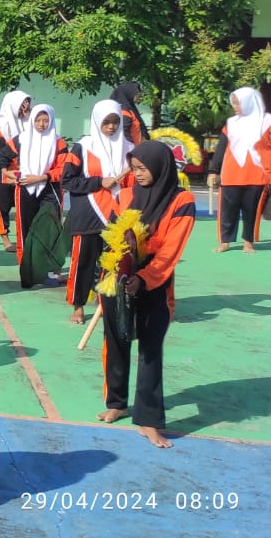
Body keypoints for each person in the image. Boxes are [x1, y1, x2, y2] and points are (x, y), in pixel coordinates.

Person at [101, 141, 196, 449]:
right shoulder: (126, 196)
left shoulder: (182, 201)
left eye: (143, 168)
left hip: (155, 284)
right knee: (115, 341)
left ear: (160, 166)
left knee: (150, 350)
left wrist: (143, 279)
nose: (138, 174)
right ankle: (116, 401)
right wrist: (116, 268)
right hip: (119, 280)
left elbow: (170, 251)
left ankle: (149, 421)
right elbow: (113, 238)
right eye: (135, 168)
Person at [62, 101, 131, 324]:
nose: (111, 127)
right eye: (106, 122)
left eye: (115, 122)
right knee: (83, 262)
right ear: (97, 120)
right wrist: (100, 182)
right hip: (88, 214)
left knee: (114, 263)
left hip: (118, 215)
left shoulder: (129, 149)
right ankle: (78, 306)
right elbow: (68, 180)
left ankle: (106, 304)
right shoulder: (82, 147)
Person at [10, 104, 68, 289]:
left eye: (46, 120)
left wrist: (42, 177)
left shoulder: (59, 143)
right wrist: (9, 173)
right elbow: (1, 160)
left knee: (49, 231)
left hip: (50, 190)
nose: (42, 124)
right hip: (25, 189)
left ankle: (48, 273)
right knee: (25, 232)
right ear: (32, 120)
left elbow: (63, 168)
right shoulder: (20, 139)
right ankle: (27, 274)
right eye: (38, 120)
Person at [208, 87, 271, 252]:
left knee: (251, 210)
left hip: (257, 174)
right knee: (228, 210)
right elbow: (221, 148)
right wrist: (213, 171)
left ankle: (248, 241)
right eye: (233, 103)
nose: (235, 107)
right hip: (231, 174)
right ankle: (225, 241)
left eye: (238, 103)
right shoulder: (231, 123)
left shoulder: (267, 122)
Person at [0, 90, 32, 252]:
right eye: (23, 103)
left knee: (24, 207)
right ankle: (5, 239)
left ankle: (23, 238)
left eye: (27, 102)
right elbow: (0, 153)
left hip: (22, 173)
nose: (26, 106)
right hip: (0, 173)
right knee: (0, 208)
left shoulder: (29, 123)